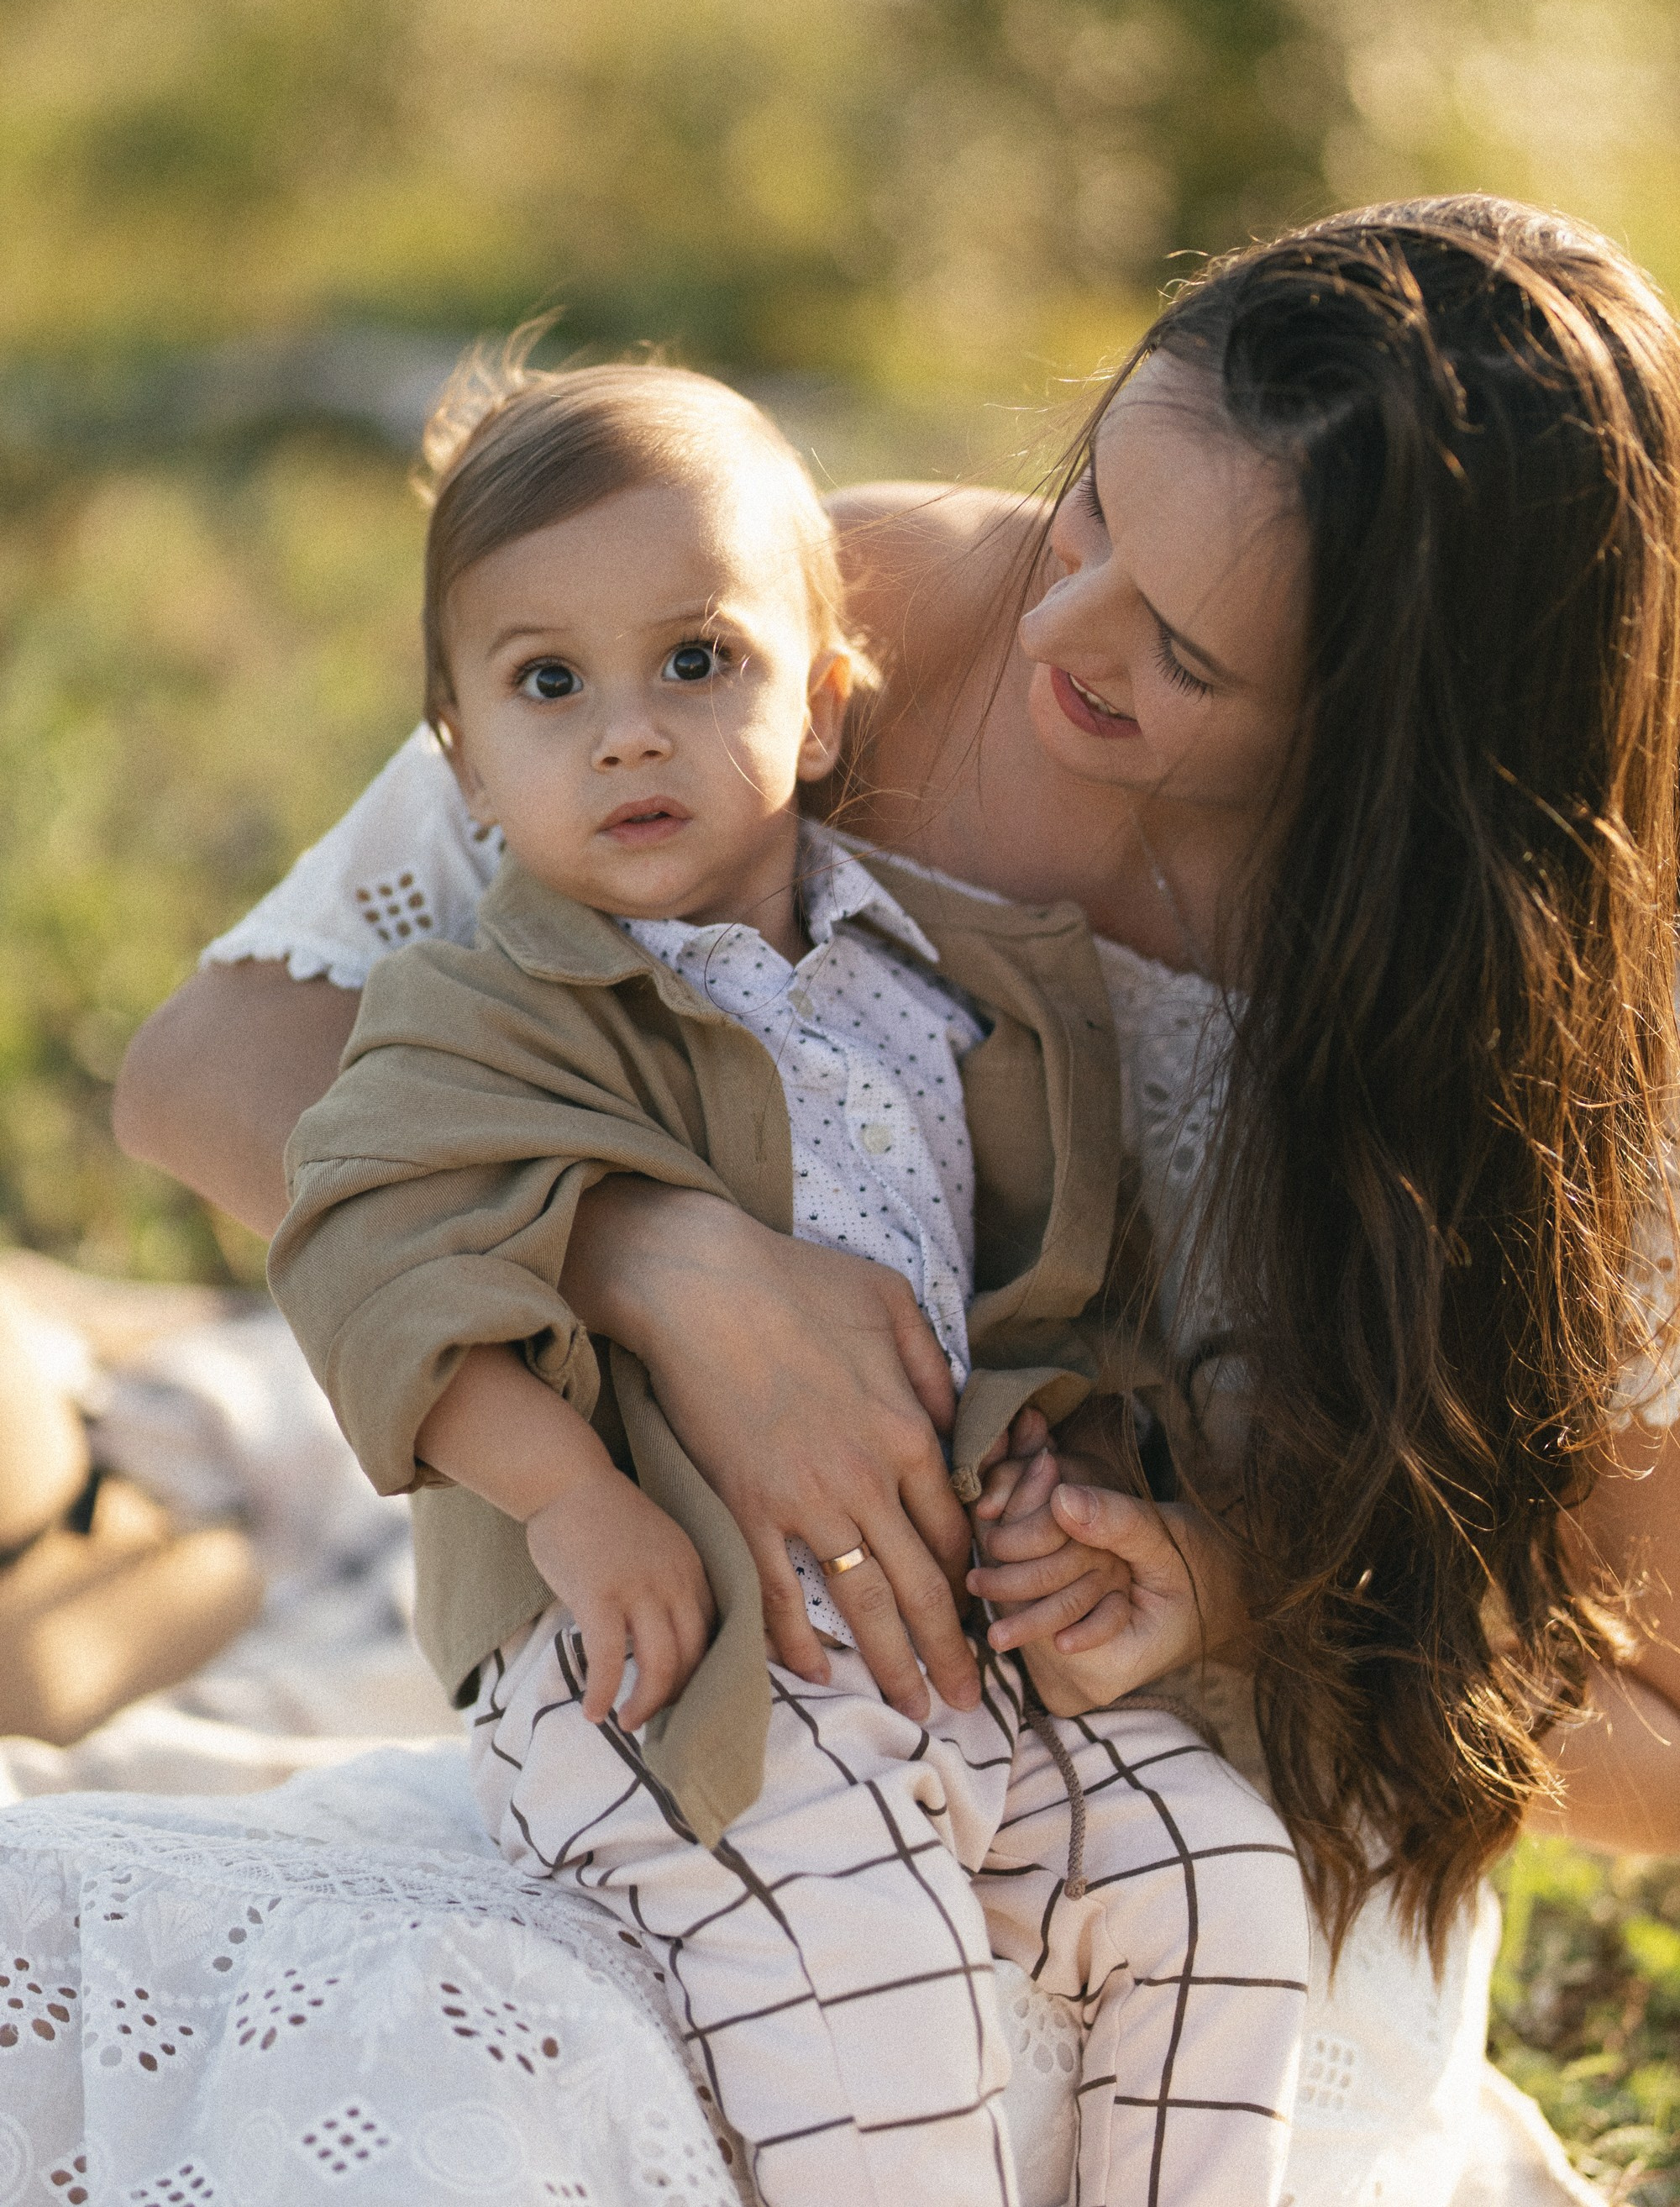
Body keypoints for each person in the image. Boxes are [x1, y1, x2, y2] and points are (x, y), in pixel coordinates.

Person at [114, 196, 1680, 2204]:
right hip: (742, 1705)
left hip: (1198, 1830)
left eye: (1182, 650)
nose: (1060, 631)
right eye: (1091, 510)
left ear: (1402, 730)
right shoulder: (806, 626)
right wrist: (659, 1261)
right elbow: (212, 1069)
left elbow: (1647, 1731)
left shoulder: (1582, 1034)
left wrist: (1241, 1604)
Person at [264, 356, 1310, 2207]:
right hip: (665, 1655)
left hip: (949, 1648)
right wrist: (571, 1498)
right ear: (466, 762)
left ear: (822, 710)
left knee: (1215, 1882)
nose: (627, 735)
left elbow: (1044, 1296)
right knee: (873, 1989)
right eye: (548, 684)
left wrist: (1065, 1472)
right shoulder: (489, 1005)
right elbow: (374, 1245)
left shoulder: (945, 985)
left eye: (697, 661)